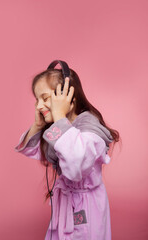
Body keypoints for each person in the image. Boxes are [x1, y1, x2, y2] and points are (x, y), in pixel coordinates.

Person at [14, 67, 120, 240]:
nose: (39, 106)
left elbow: (75, 164)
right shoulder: (59, 129)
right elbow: (33, 149)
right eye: (37, 100)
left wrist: (59, 117)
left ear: (67, 96)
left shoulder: (90, 129)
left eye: (45, 98)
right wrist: (39, 126)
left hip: (86, 206)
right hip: (65, 203)